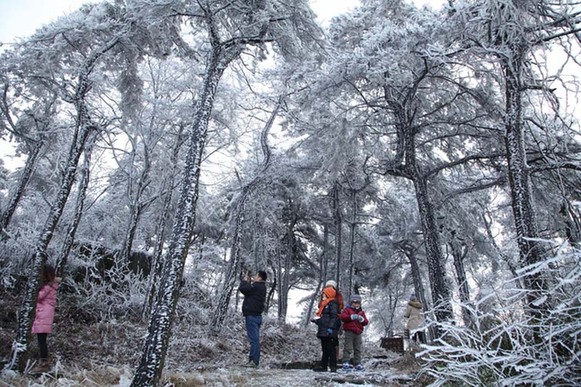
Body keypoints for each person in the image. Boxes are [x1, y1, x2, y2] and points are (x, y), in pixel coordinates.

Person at [31, 263, 60, 373]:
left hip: (43, 316)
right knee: (41, 340)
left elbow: (37, 297)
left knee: (42, 340)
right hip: (43, 315)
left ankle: (44, 364)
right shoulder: (50, 286)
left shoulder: (47, 287)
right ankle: (43, 362)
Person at [238, 270, 267, 368]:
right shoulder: (261, 287)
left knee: (254, 340)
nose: (254, 277)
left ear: (260, 278)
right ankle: (252, 360)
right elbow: (249, 290)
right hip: (257, 316)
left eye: (256, 276)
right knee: (254, 339)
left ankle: (254, 362)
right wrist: (248, 283)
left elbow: (243, 289)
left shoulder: (257, 286)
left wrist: (245, 280)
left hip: (252, 316)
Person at [311, 286, 340, 372]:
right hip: (323, 329)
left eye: (324, 293)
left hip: (329, 330)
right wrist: (317, 321)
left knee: (331, 349)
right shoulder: (324, 305)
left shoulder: (333, 304)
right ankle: (323, 366)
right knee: (325, 349)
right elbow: (324, 318)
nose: (322, 295)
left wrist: (330, 328)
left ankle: (333, 367)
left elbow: (333, 317)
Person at [339, 294, 368, 371]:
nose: (356, 304)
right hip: (349, 331)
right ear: (351, 303)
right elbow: (343, 317)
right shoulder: (347, 310)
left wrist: (362, 320)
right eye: (354, 303)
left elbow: (365, 322)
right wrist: (351, 317)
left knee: (357, 348)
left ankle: (357, 363)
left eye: (357, 303)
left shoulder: (361, 312)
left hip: (358, 332)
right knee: (348, 347)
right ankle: (345, 361)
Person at [324, 280, 344, 360]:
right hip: (326, 321)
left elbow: (340, 306)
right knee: (326, 339)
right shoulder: (324, 296)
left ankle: (335, 357)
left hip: (335, 319)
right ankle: (327, 357)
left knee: (334, 339)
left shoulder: (338, 296)